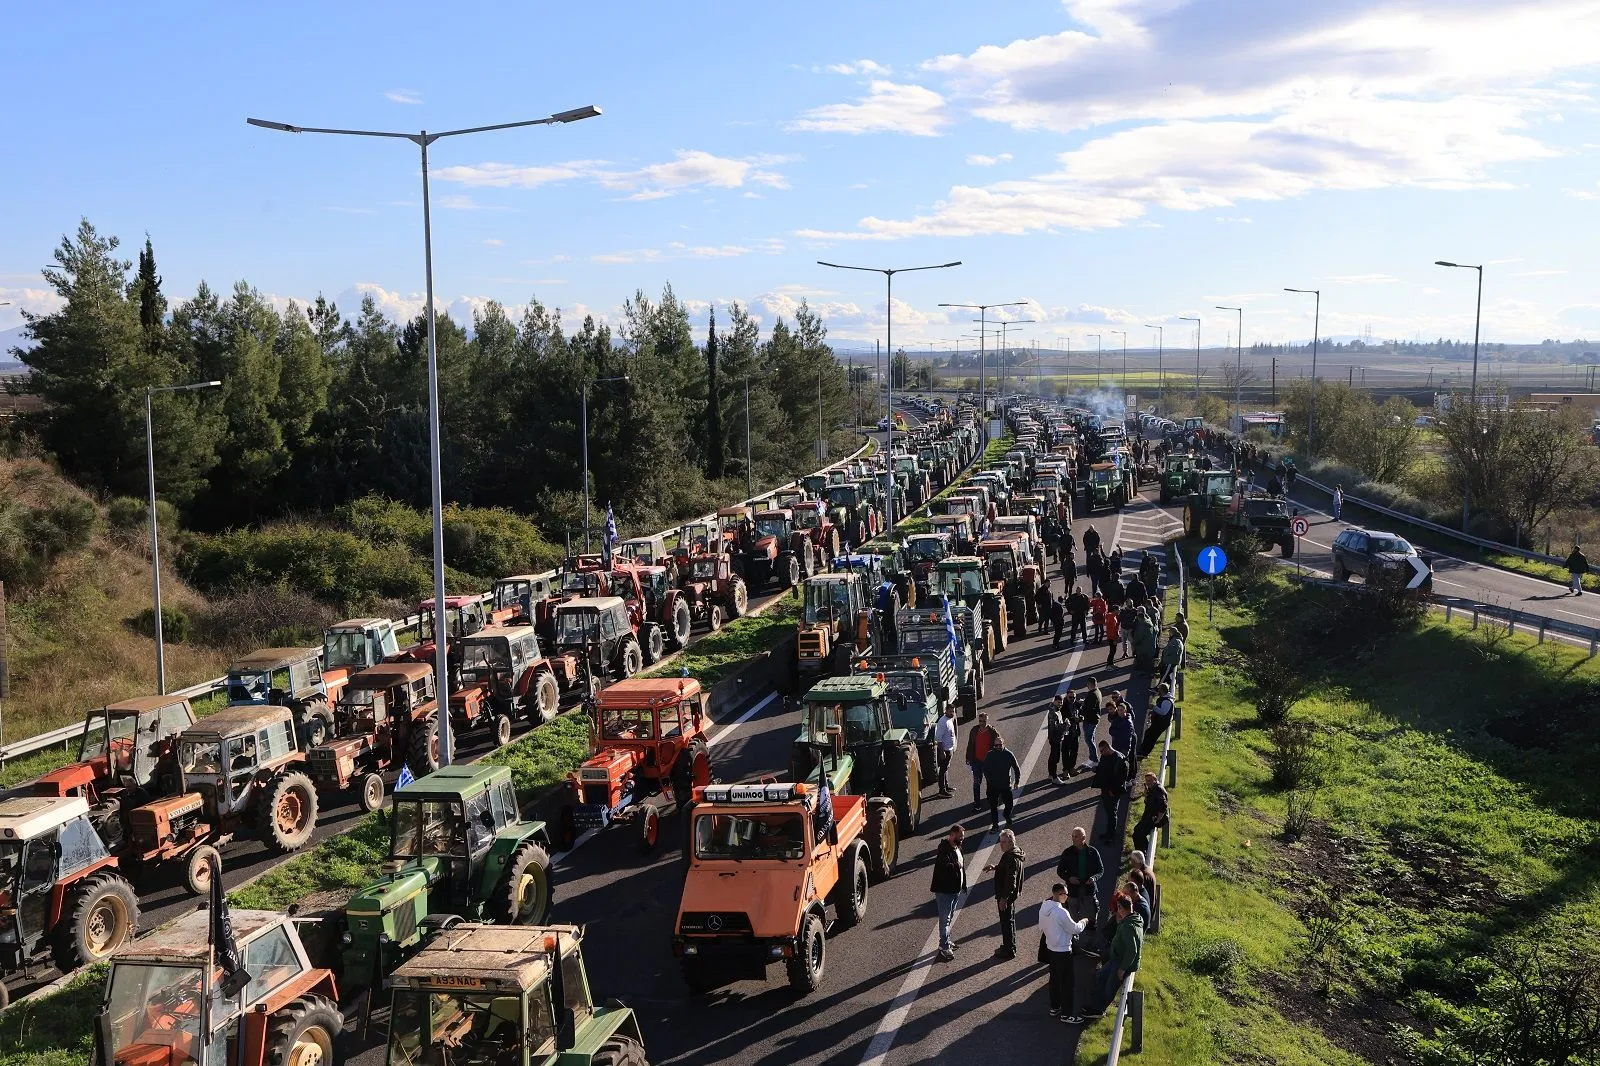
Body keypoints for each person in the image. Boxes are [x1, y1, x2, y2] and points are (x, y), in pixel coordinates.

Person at [1072, 894, 1143, 1024]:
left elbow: (1132, 950)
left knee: (1109, 987)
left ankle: (1098, 1010)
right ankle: (1094, 1003)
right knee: (1100, 977)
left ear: (1121, 908)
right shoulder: (1135, 919)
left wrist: (1122, 969)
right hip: (1115, 959)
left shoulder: (1128, 927)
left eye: (1118, 908)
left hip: (1120, 963)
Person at [1040, 883, 1090, 1019]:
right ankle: (1067, 1014)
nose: (1067, 896)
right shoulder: (1061, 912)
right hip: (1063, 951)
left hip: (1051, 948)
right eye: (1064, 894)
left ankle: (1055, 1007)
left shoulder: (1044, 908)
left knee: (1055, 980)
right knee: (1068, 983)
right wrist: (1084, 922)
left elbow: (1042, 927)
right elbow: (1075, 929)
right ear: (1057, 894)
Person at [983, 829, 1026, 958]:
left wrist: (1003, 899)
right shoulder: (1014, 853)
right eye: (1000, 842)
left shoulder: (1011, 857)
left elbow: (1010, 881)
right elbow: (1007, 868)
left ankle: (1009, 949)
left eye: (1003, 842)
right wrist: (995, 867)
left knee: (1006, 923)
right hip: (1009, 896)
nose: (1001, 844)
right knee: (1009, 921)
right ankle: (1009, 945)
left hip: (1006, 896)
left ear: (1011, 842)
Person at [930, 826, 967, 961]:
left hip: (955, 890)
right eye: (960, 836)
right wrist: (957, 865)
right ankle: (944, 946)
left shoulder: (957, 847)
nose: (962, 838)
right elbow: (945, 865)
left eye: (963, 836)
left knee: (950, 916)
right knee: (945, 919)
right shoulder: (944, 849)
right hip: (945, 891)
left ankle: (946, 940)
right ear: (952, 835)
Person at [1055, 826, 1104, 927]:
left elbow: (1100, 870)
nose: (1073, 838)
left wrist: (1093, 878)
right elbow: (1060, 871)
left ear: (1083, 838)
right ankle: (1074, 933)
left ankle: (1091, 928)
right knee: (1072, 914)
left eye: (1076, 836)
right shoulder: (1067, 853)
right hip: (1073, 890)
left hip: (1089, 889)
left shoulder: (1093, 852)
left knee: (1092, 912)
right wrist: (1069, 878)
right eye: (1072, 836)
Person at [983, 733, 1022, 832]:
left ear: (1003, 744)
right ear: (994, 745)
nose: (998, 747)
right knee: (993, 807)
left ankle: (1006, 814)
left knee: (1009, 804)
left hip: (1005, 785)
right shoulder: (990, 754)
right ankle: (995, 825)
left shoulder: (1008, 754)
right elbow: (985, 769)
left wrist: (1016, 781)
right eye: (996, 745)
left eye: (1000, 745)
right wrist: (989, 780)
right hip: (993, 786)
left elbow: (1016, 768)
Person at [1093, 739, 1128, 845]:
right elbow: (1103, 768)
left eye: (1102, 751)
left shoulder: (1119, 759)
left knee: (1112, 813)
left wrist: (1113, 791)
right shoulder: (1105, 756)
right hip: (1105, 789)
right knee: (1109, 812)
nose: (1101, 754)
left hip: (1113, 791)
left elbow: (1121, 778)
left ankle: (1111, 836)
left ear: (1108, 748)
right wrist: (1096, 769)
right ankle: (1108, 833)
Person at [965, 712, 999, 811]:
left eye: (984, 721)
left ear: (987, 721)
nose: (982, 723)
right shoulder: (974, 730)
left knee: (990, 782)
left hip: (989, 762)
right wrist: (968, 757)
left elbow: (998, 744)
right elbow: (970, 744)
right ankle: (977, 804)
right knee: (976, 783)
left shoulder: (992, 732)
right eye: (980, 721)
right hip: (976, 762)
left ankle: (989, 800)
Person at [1132, 771, 1169, 854]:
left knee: (1138, 834)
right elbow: (1148, 803)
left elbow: (1163, 806)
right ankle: (1145, 851)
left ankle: (1143, 854)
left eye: (1150, 780)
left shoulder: (1158, 790)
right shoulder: (1151, 789)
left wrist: (1158, 819)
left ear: (1155, 780)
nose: (1148, 783)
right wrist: (1146, 796)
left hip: (1155, 818)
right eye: (1147, 781)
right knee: (1137, 831)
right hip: (1150, 815)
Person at [1140, 682, 1176, 760]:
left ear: (1162, 691)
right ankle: (1143, 751)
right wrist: (1153, 712)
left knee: (1151, 737)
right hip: (1158, 722)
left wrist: (1153, 707)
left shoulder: (1167, 701)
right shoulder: (1164, 699)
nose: (1157, 691)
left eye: (1158, 690)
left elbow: (1163, 712)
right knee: (1148, 734)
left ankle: (1144, 753)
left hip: (1161, 723)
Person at [1046, 695, 1070, 784]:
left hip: (1057, 737)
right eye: (1058, 702)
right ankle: (1054, 777)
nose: (1060, 704)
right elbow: (1054, 726)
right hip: (1055, 737)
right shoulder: (1053, 712)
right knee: (1055, 757)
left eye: (1061, 703)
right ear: (1055, 701)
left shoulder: (1056, 710)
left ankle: (1051, 775)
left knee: (1053, 756)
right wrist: (1065, 724)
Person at [934, 706, 957, 797]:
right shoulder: (943, 722)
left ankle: (946, 786)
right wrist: (941, 751)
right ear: (946, 711)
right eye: (950, 711)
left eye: (953, 711)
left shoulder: (949, 720)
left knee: (946, 768)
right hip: (944, 751)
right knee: (942, 770)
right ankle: (942, 790)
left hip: (949, 749)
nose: (952, 713)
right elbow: (938, 738)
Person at [1108, 699, 1135, 763]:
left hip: (1123, 748)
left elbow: (1125, 736)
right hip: (1116, 745)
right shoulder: (1117, 719)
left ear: (1125, 710)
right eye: (1118, 710)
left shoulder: (1128, 722)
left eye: (1121, 710)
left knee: (1121, 764)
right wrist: (1118, 731)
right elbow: (1110, 730)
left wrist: (1116, 732)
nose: (1119, 712)